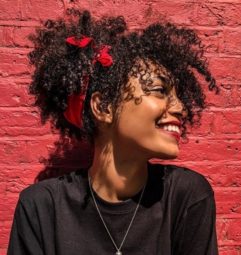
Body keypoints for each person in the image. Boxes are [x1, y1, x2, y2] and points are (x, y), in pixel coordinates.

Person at [7, 9, 219, 255]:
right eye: (160, 90)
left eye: (178, 96)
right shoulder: (41, 208)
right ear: (104, 107)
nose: (181, 108)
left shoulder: (186, 197)